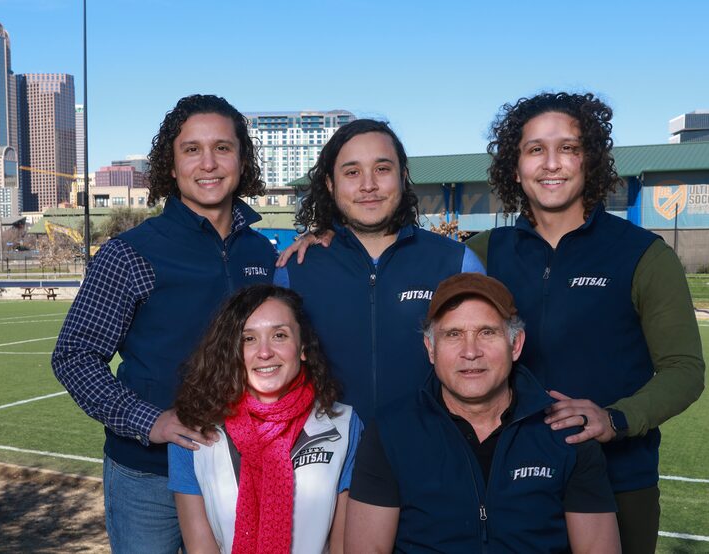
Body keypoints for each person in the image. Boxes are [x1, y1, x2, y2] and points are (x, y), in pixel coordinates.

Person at [467, 91, 705, 553]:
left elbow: (684, 370)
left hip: (619, 481)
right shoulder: (479, 253)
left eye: (569, 148)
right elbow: (397, 260)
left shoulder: (642, 254)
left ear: (590, 161)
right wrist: (333, 237)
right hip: (507, 481)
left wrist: (615, 418)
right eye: (535, 149)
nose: (552, 163)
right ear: (515, 168)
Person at [51, 94, 277, 553]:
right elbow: (74, 356)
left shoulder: (261, 252)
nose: (208, 163)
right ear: (171, 167)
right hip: (147, 474)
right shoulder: (130, 252)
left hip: (241, 468)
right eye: (191, 149)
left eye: (223, 147)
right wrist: (148, 421)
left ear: (241, 159)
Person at [346, 273, 620, 553]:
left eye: (487, 332)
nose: (471, 352)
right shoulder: (391, 432)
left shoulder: (567, 433)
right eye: (453, 334)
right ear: (431, 348)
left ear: (515, 344)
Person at [274, 119, 484, 423]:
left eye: (382, 169)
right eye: (352, 172)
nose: (368, 185)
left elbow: (489, 362)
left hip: (431, 450)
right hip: (327, 460)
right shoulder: (294, 270)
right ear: (331, 185)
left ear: (403, 176)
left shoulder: (457, 263)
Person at [168, 284, 361, 554]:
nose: (265, 352)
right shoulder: (192, 430)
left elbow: (342, 547)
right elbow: (201, 547)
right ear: (231, 351)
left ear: (303, 346)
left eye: (279, 335)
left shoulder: (344, 424)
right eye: (248, 339)